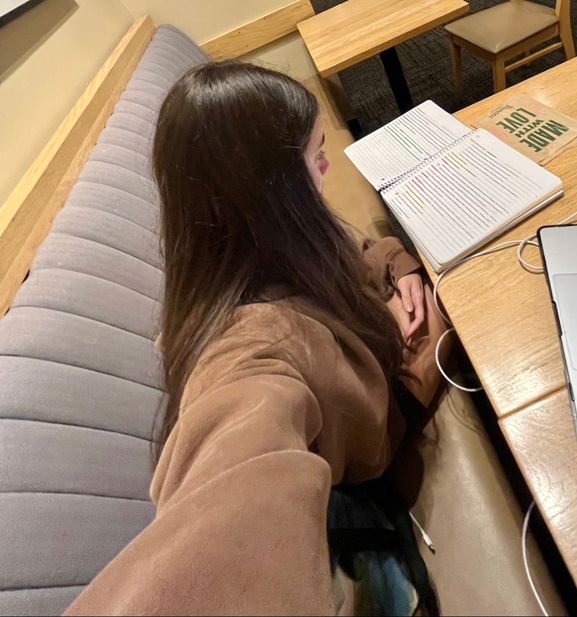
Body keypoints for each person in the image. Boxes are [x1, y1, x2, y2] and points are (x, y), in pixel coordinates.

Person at [65, 61, 445, 615]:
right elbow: (222, 506)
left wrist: (397, 262)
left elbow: (352, 253)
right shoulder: (247, 353)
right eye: (316, 157)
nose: (328, 165)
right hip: (385, 447)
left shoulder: (250, 250)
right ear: (271, 193)